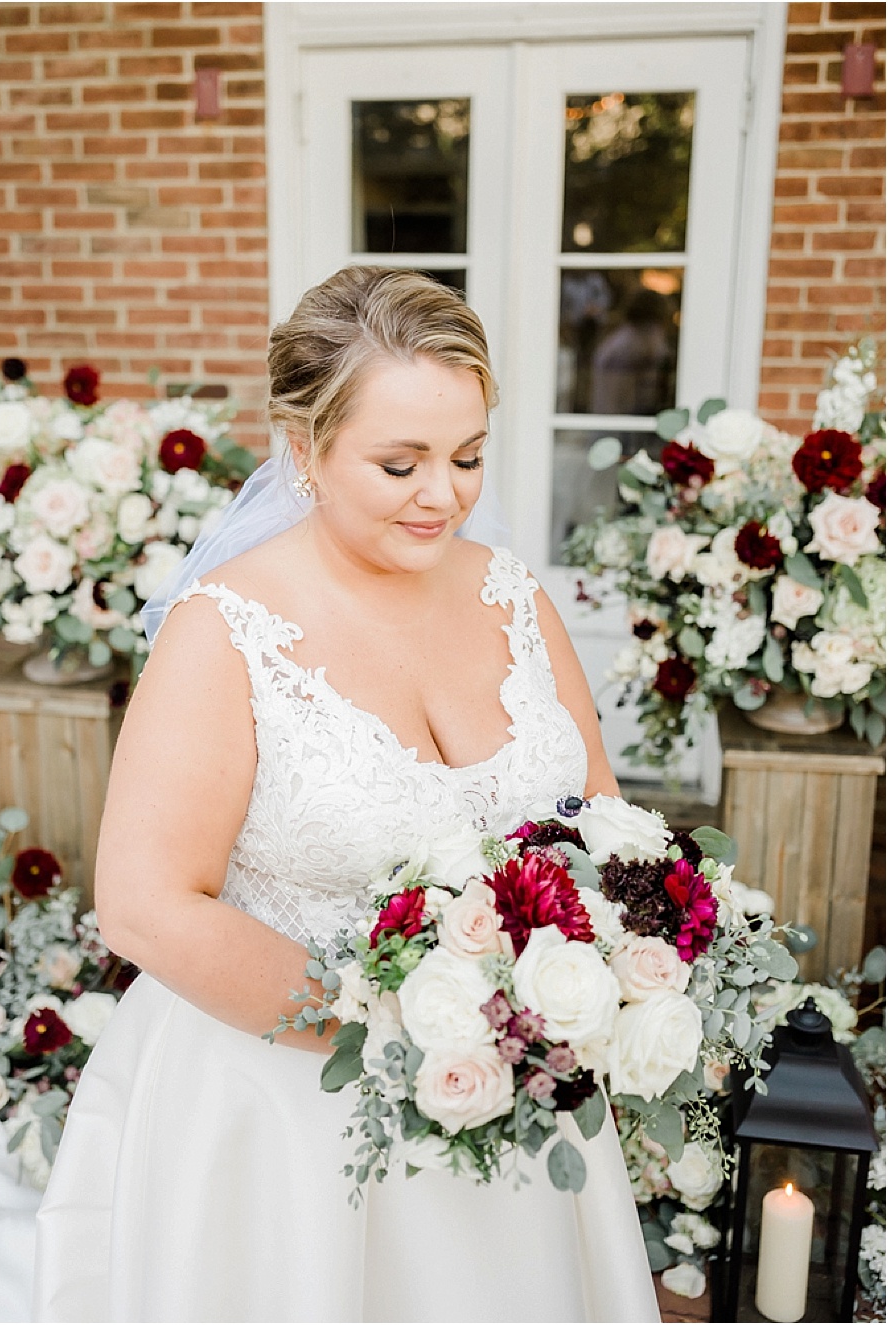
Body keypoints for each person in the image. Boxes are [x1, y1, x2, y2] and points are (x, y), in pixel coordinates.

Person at [33, 267, 661, 1323]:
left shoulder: (512, 597)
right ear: (303, 449)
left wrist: (598, 977)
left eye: (466, 456)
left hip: (514, 1085)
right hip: (286, 1120)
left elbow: (596, 821)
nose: (444, 494)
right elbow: (146, 901)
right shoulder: (225, 631)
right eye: (400, 461)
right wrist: (404, 1028)